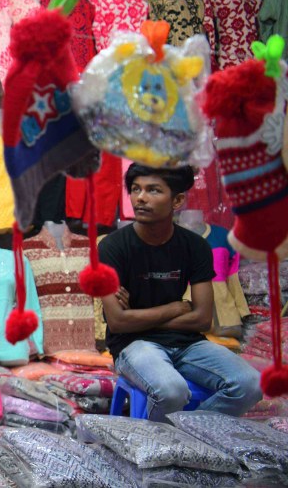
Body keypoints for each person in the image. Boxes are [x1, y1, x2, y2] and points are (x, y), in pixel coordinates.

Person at [99, 163, 262, 421]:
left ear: (177, 200)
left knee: (250, 384)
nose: (140, 197)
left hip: (187, 344)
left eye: (153, 190)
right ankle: (164, 447)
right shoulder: (112, 247)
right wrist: (175, 308)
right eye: (135, 189)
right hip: (133, 345)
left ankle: (186, 439)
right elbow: (118, 323)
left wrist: (137, 316)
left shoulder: (195, 246)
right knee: (172, 391)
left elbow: (202, 318)